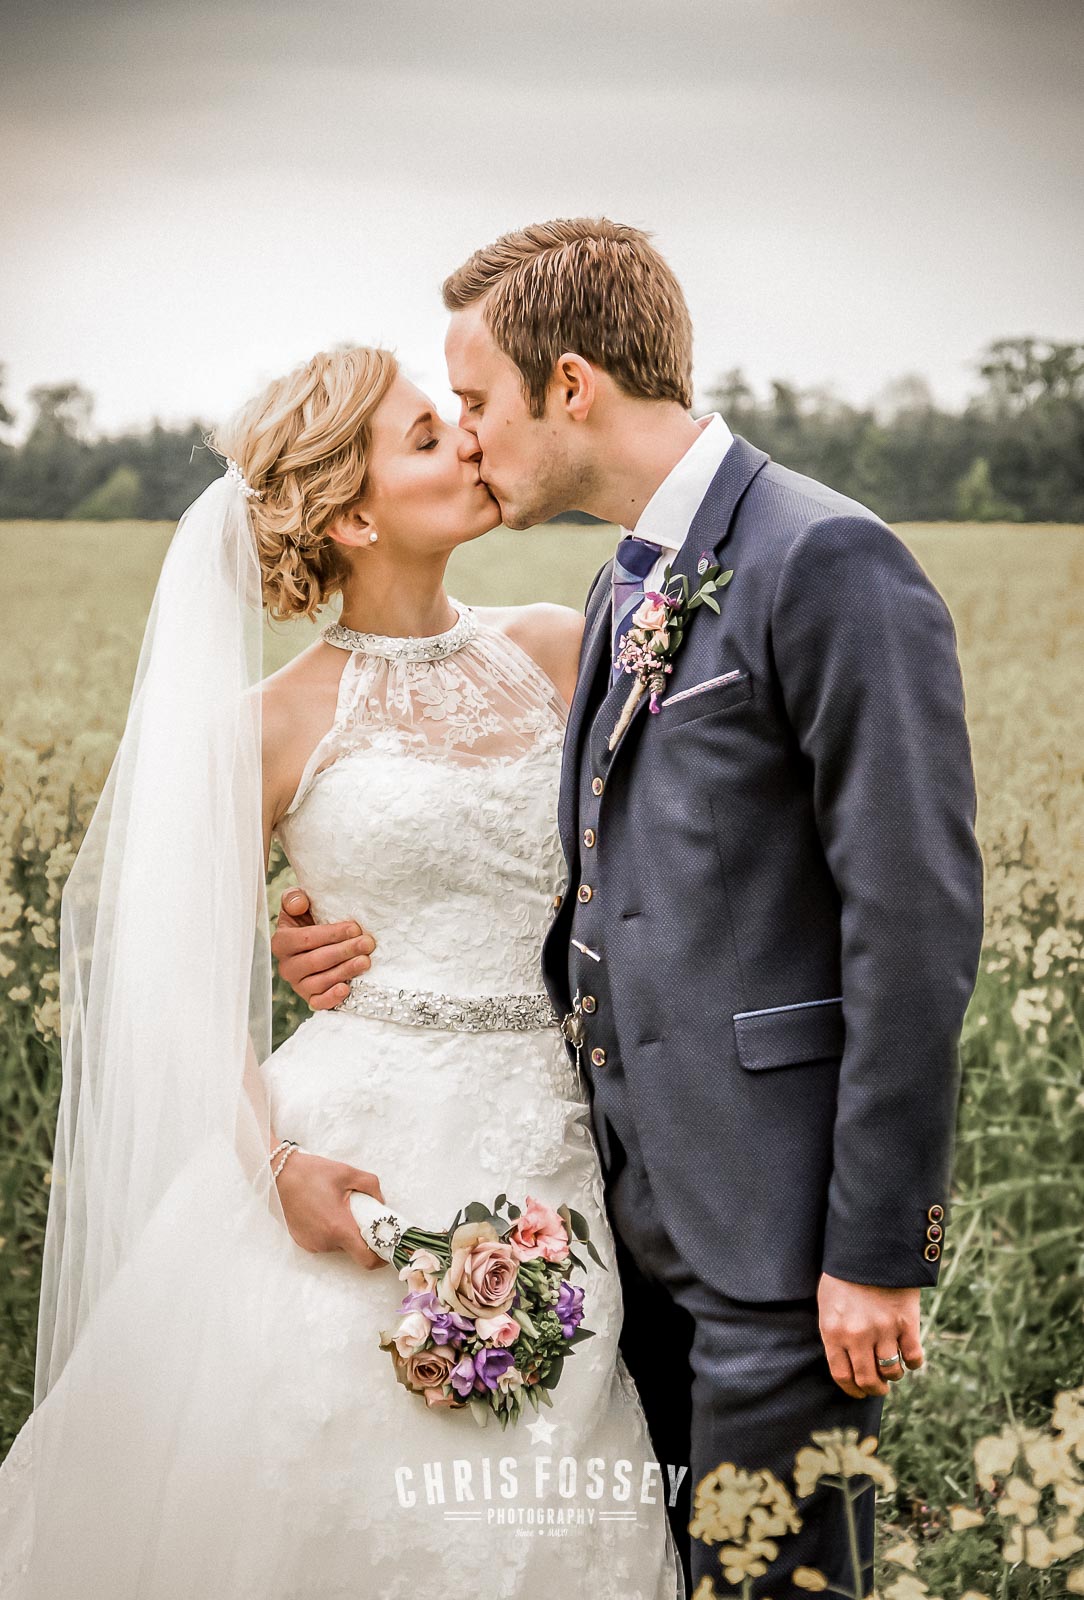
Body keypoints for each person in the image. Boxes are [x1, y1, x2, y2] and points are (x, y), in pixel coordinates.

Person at [274, 218, 986, 1597]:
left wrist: (877, 1249)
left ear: (574, 387)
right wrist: (340, 926)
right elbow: (603, 882)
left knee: (783, 1584)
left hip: (781, 1242)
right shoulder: (622, 586)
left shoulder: (826, 558)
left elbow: (914, 918)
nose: (469, 440)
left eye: (474, 404)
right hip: (612, 1225)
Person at [0, 345, 685, 1598]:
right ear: (355, 512)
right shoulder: (270, 723)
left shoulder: (557, 647)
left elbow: (651, 868)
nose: (471, 444)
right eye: (429, 436)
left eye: (454, 420)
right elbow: (170, 987)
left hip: (554, 1140)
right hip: (355, 1152)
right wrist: (273, 1167)